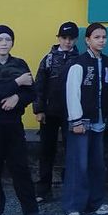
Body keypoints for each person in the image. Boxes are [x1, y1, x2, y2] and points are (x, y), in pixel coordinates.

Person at [0, 24, 56, 215]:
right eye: (0, 39)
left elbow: (32, 92)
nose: (4, 43)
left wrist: (17, 98)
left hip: (13, 125)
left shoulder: (20, 64)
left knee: (21, 169)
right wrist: (17, 83)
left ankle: (31, 213)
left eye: (8, 39)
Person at [63, 22, 108, 215]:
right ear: (87, 40)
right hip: (81, 122)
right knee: (79, 164)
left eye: (104, 37)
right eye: (97, 37)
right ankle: (73, 207)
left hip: (99, 120)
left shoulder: (107, 62)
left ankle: (96, 201)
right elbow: (72, 93)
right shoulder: (78, 63)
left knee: (97, 164)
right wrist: (76, 120)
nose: (101, 41)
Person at [32, 20, 79, 203]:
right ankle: (43, 190)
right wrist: (39, 109)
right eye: (64, 38)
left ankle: (70, 188)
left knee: (71, 151)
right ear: (58, 38)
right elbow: (39, 85)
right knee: (46, 151)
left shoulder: (79, 59)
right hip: (49, 112)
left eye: (71, 38)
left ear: (76, 39)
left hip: (71, 113)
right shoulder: (49, 59)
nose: (67, 41)